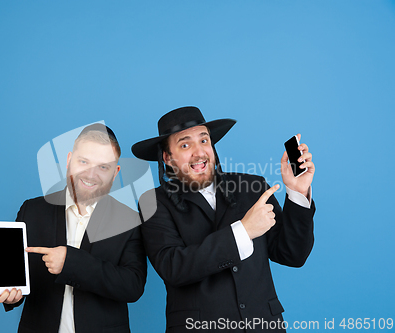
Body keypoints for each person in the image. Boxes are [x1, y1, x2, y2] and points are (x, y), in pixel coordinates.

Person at [132, 106, 315, 332]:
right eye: (185, 145)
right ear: (168, 158)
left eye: (204, 140)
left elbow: (292, 254)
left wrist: (297, 193)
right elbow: (174, 267)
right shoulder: (153, 202)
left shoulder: (253, 187)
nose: (199, 153)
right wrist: (243, 231)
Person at [0, 124, 147, 333]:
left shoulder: (129, 219)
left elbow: (132, 286)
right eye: (84, 162)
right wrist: (12, 296)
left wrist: (71, 263)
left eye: (103, 166)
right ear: (69, 160)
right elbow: (17, 276)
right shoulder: (32, 210)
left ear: (115, 172)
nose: (91, 175)